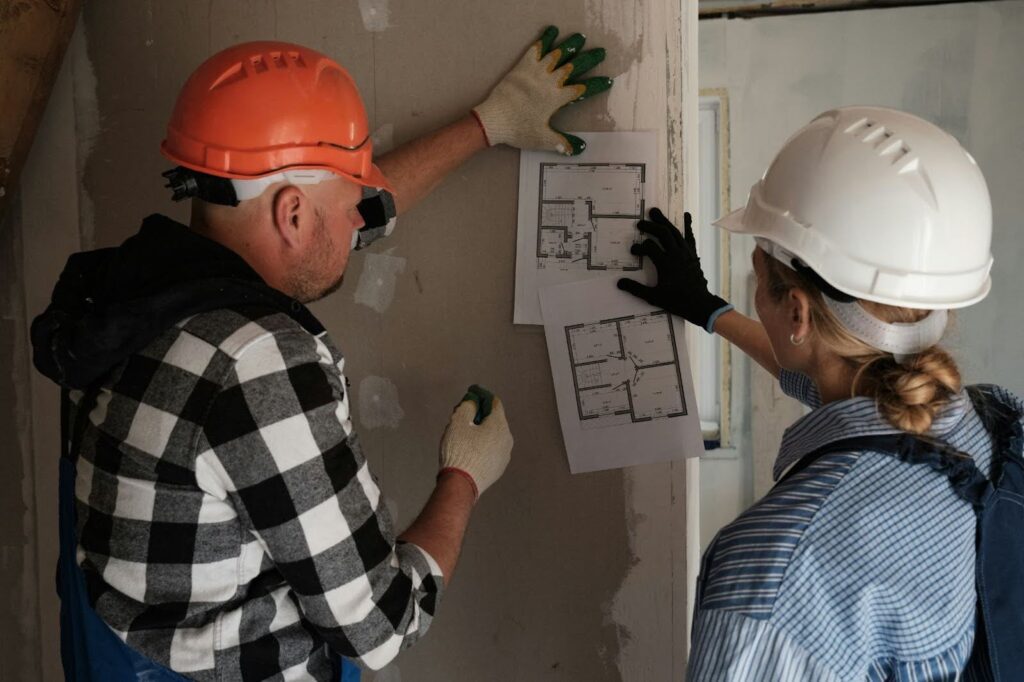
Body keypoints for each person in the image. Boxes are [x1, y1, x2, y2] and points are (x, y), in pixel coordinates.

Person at [31, 28, 612, 681]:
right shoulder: (258, 365)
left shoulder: (126, 299)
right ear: (293, 216)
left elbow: (343, 221)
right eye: (346, 205)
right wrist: (464, 478)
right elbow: (380, 627)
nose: (361, 219)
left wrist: (488, 125)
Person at [619, 106, 1023, 679]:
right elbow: (851, 393)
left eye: (757, 271)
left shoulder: (781, 570)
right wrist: (710, 312)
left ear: (797, 311)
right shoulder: (992, 423)